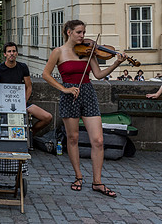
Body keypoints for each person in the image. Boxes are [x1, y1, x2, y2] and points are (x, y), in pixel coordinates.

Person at [42, 19, 127, 198]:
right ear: (69, 32)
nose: (83, 36)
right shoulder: (59, 52)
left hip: (88, 93)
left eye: (83, 32)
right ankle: (78, 176)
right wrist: (64, 88)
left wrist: (116, 63)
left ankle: (97, 181)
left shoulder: (89, 52)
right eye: (79, 32)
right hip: (69, 95)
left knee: (98, 140)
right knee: (72, 138)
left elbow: (98, 74)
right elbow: (45, 74)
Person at [0, 42, 53, 135]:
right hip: (3, 104)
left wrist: (23, 102)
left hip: (21, 102)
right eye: (9, 51)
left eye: (14, 51)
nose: (11, 53)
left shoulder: (23, 67)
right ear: (5, 54)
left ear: (16, 53)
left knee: (47, 117)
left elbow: (29, 87)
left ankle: (30, 133)